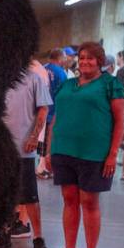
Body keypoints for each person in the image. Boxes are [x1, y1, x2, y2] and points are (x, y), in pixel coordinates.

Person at [45, 41, 124, 248]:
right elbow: (56, 119)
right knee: (69, 199)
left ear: (100, 61)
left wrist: (112, 154)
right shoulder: (67, 85)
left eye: (90, 58)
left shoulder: (110, 84)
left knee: (89, 201)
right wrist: (49, 151)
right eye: (82, 58)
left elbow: (120, 121)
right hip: (63, 150)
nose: (85, 62)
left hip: (94, 152)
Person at [0, 63, 52, 248]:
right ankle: (4, 232)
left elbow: (43, 110)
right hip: (0, 147)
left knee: (30, 196)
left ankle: (38, 239)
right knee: (3, 194)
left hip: (24, 148)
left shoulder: (34, 79)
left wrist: (34, 136)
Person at [37, 48, 68, 179]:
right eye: (65, 57)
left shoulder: (41, 69)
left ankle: (42, 164)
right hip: (54, 110)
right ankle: (43, 166)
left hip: (40, 109)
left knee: (41, 138)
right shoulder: (61, 73)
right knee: (50, 139)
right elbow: (64, 94)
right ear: (60, 58)